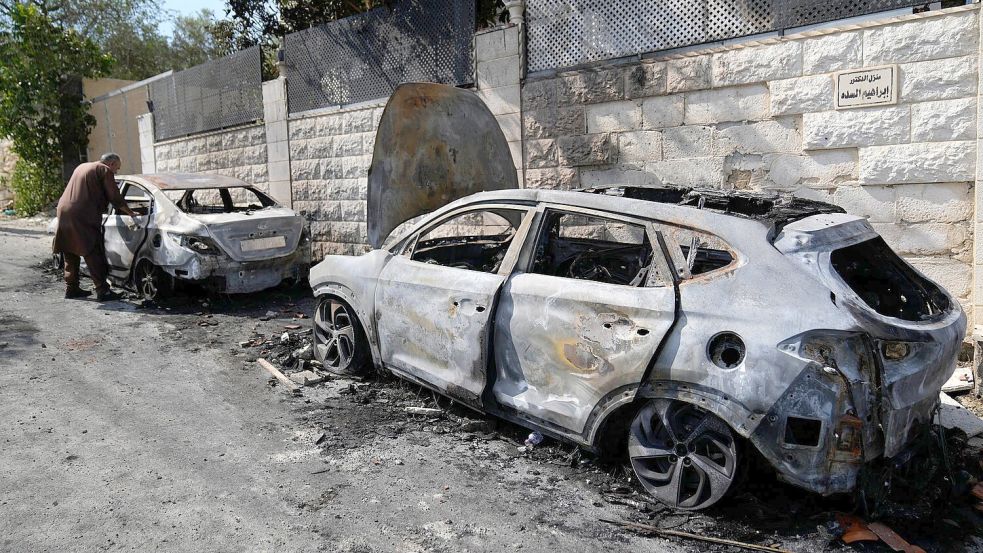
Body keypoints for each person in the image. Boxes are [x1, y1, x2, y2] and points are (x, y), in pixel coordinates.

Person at [52, 153, 137, 301]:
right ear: (110, 164)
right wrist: (130, 212)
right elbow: (114, 196)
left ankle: (71, 288)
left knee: (70, 250)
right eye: (116, 168)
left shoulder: (82, 166)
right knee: (92, 250)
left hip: (64, 210)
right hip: (82, 213)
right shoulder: (104, 170)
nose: (116, 172)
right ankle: (102, 290)